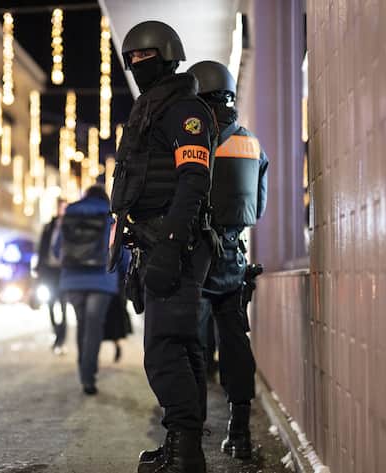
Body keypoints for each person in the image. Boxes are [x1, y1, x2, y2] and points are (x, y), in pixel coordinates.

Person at [108, 21, 217, 473]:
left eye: (143, 56)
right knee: (181, 344)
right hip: (158, 241)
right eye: (129, 58)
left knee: (165, 349)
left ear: (168, 55)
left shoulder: (183, 110)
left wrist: (171, 244)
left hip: (174, 243)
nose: (135, 65)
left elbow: (194, 180)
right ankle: (184, 446)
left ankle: (184, 454)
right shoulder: (155, 106)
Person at [187, 60, 269, 462]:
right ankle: (240, 434)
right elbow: (261, 205)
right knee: (236, 345)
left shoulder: (195, 140)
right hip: (234, 260)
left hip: (196, 259)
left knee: (193, 350)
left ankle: (191, 440)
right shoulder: (252, 144)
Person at [54, 185, 125, 395]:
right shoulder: (109, 213)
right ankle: (88, 376)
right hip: (101, 279)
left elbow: (57, 248)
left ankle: (83, 369)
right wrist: (121, 271)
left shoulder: (70, 212)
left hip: (73, 279)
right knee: (94, 327)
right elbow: (118, 248)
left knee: (82, 324)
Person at [35, 197, 69, 354]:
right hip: (49, 271)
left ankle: (61, 338)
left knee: (62, 306)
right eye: (60, 207)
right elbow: (42, 247)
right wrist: (38, 267)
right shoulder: (49, 226)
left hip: (63, 271)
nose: (62, 210)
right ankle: (56, 331)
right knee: (49, 304)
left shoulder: (71, 226)